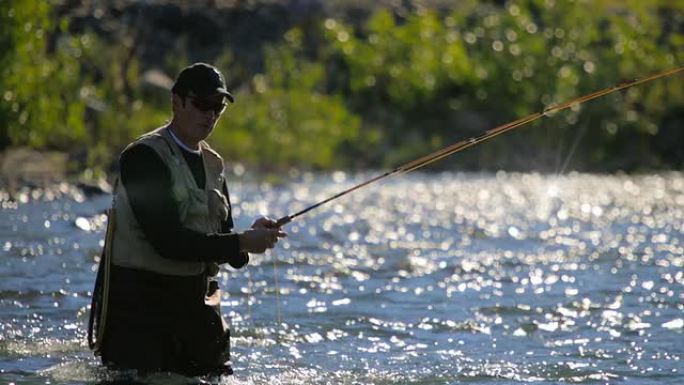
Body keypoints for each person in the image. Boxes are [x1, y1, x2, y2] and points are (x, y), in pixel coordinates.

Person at [89, 62, 286, 376]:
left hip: (196, 311)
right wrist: (240, 242)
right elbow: (167, 242)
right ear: (176, 101)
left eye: (217, 108)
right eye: (202, 105)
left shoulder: (213, 164)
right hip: (142, 313)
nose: (210, 115)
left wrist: (252, 238)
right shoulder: (143, 158)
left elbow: (225, 246)